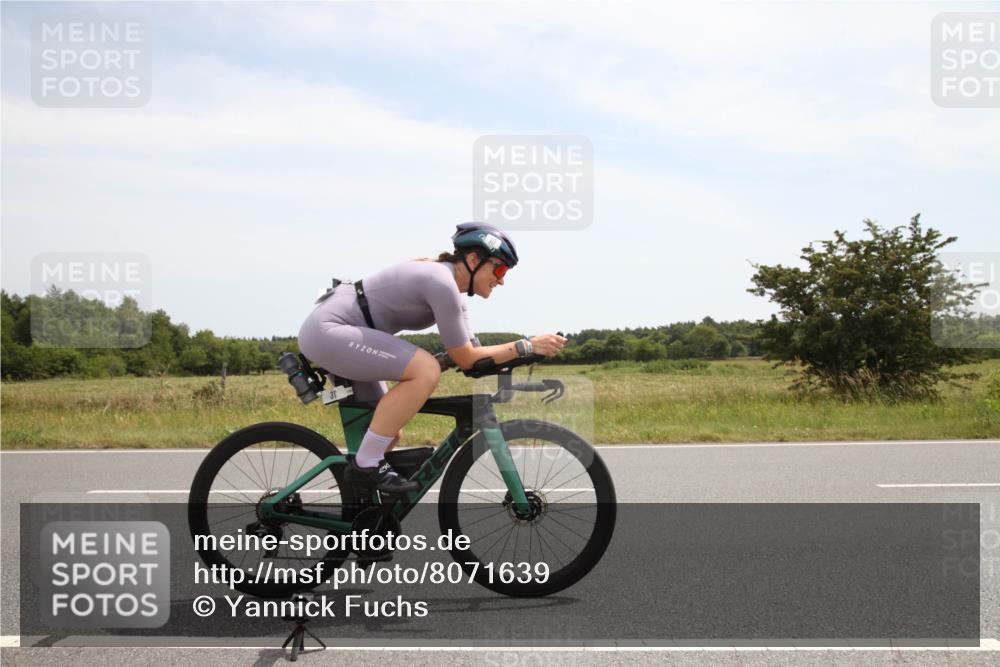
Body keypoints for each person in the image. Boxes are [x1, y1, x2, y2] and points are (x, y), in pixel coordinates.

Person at [297, 222, 567, 493]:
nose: (502, 279)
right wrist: (527, 345)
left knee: (383, 432)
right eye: (500, 268)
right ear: (474, 260)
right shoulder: (441, 283)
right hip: (329, 331)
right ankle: (366, 465)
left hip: (340, 334)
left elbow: (474, 358)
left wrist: (526, 353)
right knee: (425, 369)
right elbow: (465, 358)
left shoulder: (453, 292)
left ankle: (358, 511)